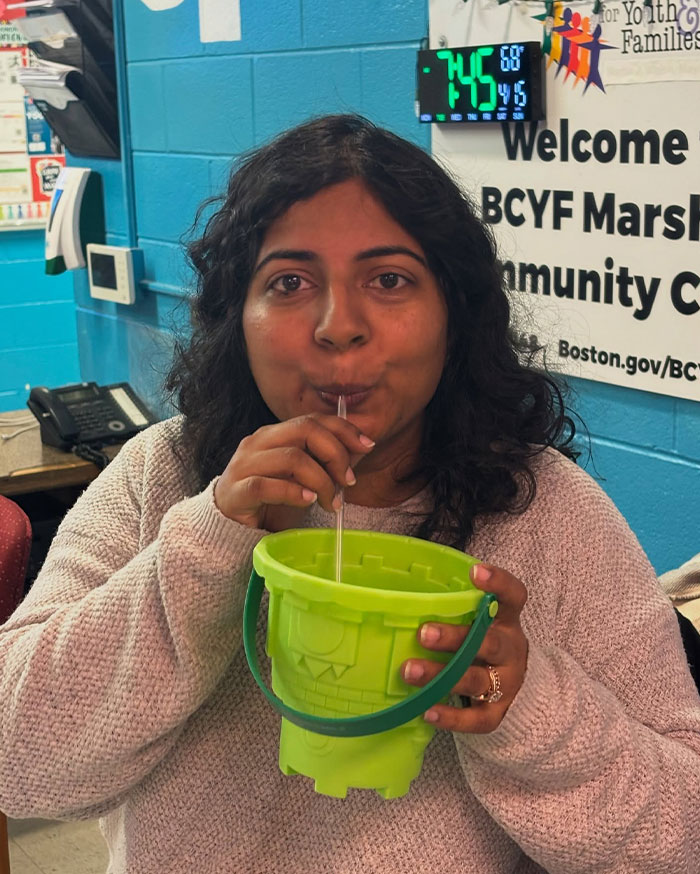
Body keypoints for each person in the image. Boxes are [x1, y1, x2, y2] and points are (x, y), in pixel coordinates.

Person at [1, 114, 699, 874]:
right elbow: (18, 764)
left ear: (454, 313)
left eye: (389, 279)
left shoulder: (549, 515)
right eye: (290, 283)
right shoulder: (161, 473)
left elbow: (681, 834)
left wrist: (528, 706)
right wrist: (209, 545)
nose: (339, 327)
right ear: (238, 317)